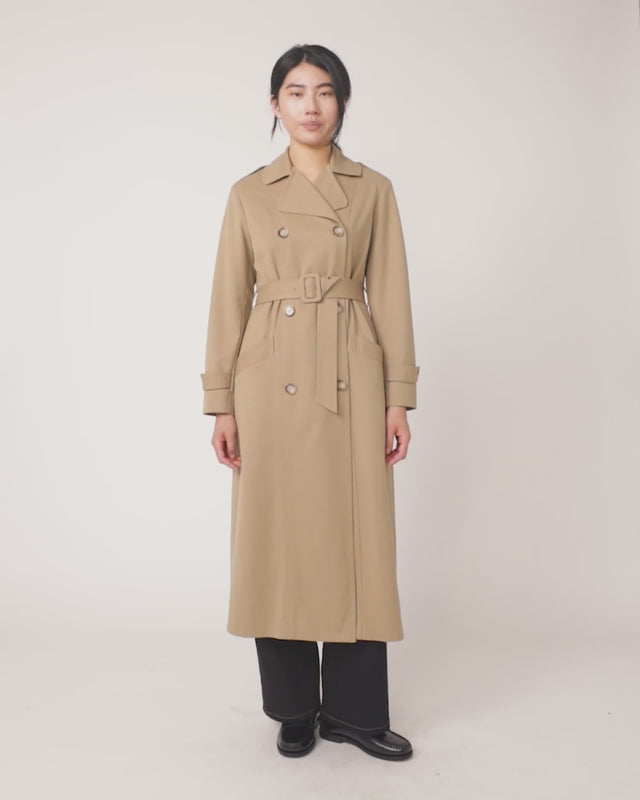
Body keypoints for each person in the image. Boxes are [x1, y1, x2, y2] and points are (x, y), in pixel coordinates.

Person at [200, 44, 420, 760]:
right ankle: (293, 708)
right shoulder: (249, 193)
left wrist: (398, 396)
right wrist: (221, 402)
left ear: (342, 103)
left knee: (359, 537)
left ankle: (354, 713)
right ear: (275, 105)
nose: (311, 106)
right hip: (270, 379)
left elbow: (391, 294)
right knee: (278, 538)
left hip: (351, 370)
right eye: (296, 92)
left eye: (325, 92)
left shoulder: (373, 188)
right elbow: (228, 302)